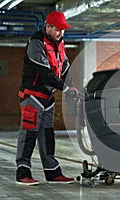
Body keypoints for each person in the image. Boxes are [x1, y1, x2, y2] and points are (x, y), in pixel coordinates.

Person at [15, 11, 78, 186]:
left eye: (62, 30)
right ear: (48, 27)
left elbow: (64, 67)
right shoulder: (36, 43)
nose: (60, 33)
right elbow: (44, 72)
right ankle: (22, 172)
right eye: (57, 30)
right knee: (29, 133)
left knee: (47, 135)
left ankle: (52, 172)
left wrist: (71, 86)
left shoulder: (60, 43)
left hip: (48, 97)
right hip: (32, 96)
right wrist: (64, 88)